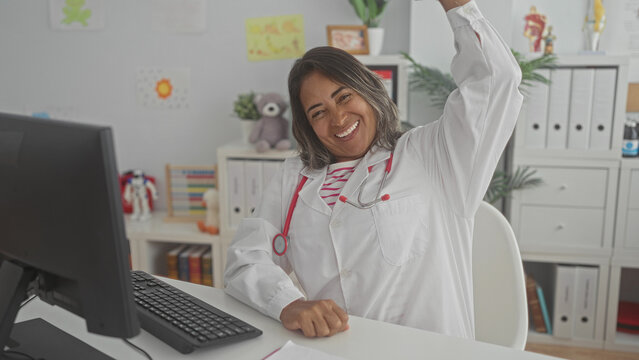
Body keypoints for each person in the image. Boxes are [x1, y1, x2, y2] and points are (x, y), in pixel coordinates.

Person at [224, 0, 523, 340]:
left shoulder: (433, 154)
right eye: (318, 112)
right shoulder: (295, 177)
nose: (338, 119)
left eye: (344, 97)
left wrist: (456, 6)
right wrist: (288, 304)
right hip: (337, 349)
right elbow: (245, 261)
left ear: (369, 93)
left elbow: (497, 79)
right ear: (307, 125)